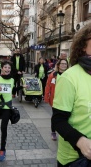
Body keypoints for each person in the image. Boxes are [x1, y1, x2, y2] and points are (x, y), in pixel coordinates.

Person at [52, 23, 91, 166]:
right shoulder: (69, 78)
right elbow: (58, 121)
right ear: (83, 46)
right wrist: (80, 141)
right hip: (75, 160)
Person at [0, 60, 27, 162]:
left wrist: (21, 87)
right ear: (2, 68)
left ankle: (2, 150)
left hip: (7, 108)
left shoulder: (12, 80)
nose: (7, 69)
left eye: (9, 68)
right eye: (5, 67)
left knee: (3, 128)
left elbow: (13, 90)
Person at [44, 59, 68, 141]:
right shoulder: (53, 75)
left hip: (66, 99)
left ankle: (64, 132)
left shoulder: (69, 75)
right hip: (54, 100)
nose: (64, 65)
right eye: (62, 64)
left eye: (65, 64)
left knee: (65, 116)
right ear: (58, 65)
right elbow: (48, 86)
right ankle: (53, 132)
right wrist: (46, 97)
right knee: (55, 116)